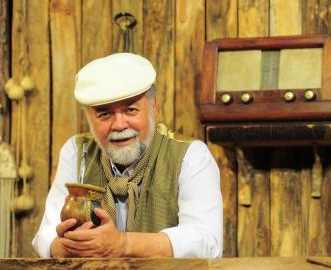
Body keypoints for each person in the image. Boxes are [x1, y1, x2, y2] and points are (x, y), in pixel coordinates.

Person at [32, 53, 223, 258]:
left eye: (131, 110)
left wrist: (124, 244)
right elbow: (46, 233)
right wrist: (62, 246)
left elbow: (207, 242)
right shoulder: (77, 152)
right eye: (104, 114)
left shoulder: (190, 156)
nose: (119, 125)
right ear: (89, 117)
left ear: (153, 107)